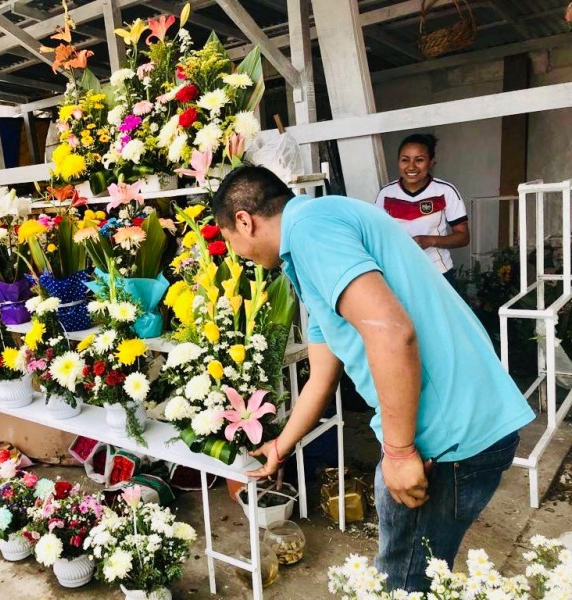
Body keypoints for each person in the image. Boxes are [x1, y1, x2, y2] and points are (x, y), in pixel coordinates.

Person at [210, 165, 534, 593]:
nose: (236, 254)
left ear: (244, 222)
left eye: (230, 240)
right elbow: (322, 374)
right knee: (415, 575)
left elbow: (390, 331)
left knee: (402, 583)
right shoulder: (314, 240)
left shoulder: (310, 229)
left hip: (445, 438)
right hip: (465, 423)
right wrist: (280, 446)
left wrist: (398, 452)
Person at [375, 133, 469, 285]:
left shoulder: (445, 191)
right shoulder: (386, 194)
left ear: (431, 162)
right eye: (405, 160)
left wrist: (430, 240)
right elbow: (377, 235)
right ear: (398, 161)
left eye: (419, 160)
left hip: (437, 272)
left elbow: (463, 237)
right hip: (398, 272)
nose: (411, 166)